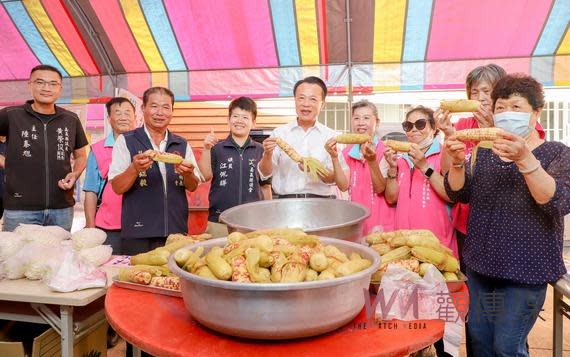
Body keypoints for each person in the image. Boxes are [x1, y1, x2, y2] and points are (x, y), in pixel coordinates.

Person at [444, 74, 569, 356]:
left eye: (516, 107)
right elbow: (460, 194)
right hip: (480, 267)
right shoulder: (484, 150)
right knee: (479, 343)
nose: (507, 114)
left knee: (507, 346)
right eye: (500, 108)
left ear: (536, 112)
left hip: (525, 272)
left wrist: (524, 158)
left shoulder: (556, 153)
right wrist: (455, 164)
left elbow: (557, 201)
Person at [108, 87, 201, 255]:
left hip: (175, 231)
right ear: (143, 108)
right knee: (139, 278)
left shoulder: (182, 144)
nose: (160, 112)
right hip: (138, 233)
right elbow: (117, 187)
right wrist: (134, 169)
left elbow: (193, 186)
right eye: (154, 106)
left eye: (166, 107)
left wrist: (188, 174)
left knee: (172, 280)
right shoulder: (126, 141)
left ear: (172, 111)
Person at [0, 65, 88, 232]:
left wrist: (75, 174)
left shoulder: (70, 119)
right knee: (18, 258)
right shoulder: (11, 114)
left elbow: (81, 156)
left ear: (60, 88)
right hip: (20, 209)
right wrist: (5, 162)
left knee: (59, 256)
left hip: (61, 209)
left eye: (53, 84)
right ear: (30, 85)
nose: (47, 88)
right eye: (40, 82)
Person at [383, 106, 457, 257]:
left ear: (434, 128)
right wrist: (392, 169)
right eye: (408, 126)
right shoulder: (402, 158)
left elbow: (451, 195)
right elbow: (391, 199)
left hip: (437, 247)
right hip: (404, 246)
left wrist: (424, 167)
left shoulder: (446, 152)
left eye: (420, 124)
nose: (414, 130)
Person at [259, 76, 347, 198]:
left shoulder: (331, 136)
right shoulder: (279, 133)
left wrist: (315, 169)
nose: (306, 104)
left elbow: (334, 180)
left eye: (313, 99)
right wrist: (268, 154)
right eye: (301, 98)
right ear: (295, 100)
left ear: (322, 104)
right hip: (286, 203)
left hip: (320, 203)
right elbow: (264, 173)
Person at [197, 97, 271, 238]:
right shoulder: (216, 148)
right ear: (228, 120)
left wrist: (267, 217)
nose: (239, 121)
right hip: (219, 221)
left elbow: (265, 186)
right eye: (235, 116)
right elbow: (204, 176)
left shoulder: (260, 150)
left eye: (245, 117)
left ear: (253, 123)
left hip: (252, 222)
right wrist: (206, 149)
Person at [325, 100, 395, 235]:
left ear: (377, 122)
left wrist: (371, 160)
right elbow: (343, 186)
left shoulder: (386, 151)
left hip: (382, 224)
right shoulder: (347, 152)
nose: (361, 122)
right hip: (358, 222)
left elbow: (381, 188)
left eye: (366, 118)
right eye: (356, 118)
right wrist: (334, 157)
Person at [83, 97, 136, 252]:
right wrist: (90, 227)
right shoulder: (98, 150)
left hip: (142, 226)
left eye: (127, 112)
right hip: (109, 227)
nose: (123, 117)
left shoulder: (145, 147)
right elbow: (91, 192)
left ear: (135, 117)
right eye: (117, 113)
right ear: (109, 119)